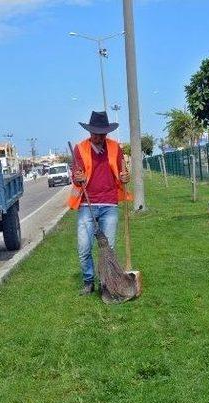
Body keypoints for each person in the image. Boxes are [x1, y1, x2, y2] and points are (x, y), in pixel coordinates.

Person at [69, 111, 131, 295]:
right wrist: (77, 177)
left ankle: (107, 283)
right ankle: (89, 282)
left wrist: (125, 176)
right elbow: (76, 175)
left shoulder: (115, 148)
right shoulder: (79, 149)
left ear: (106, 133)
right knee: (84, 248)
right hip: (87, 204)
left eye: (102, 134)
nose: (98, 137)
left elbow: (122, 172)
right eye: (95, 133)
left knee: (108, 249)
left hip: (109, 203)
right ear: (90, 132)